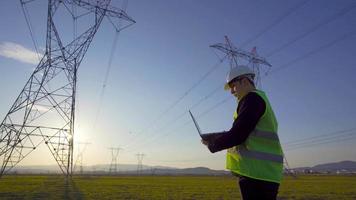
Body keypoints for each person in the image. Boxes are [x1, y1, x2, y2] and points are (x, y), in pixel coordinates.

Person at [201, 65, 284, 200]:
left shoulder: (252, 99)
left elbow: (238, 134)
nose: (232, 92)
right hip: (262, 173)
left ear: (244, 81)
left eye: (233, 86)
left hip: (257, 173)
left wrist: (212, 145)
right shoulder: (257, 99)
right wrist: (213, 137)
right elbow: (241, 130)